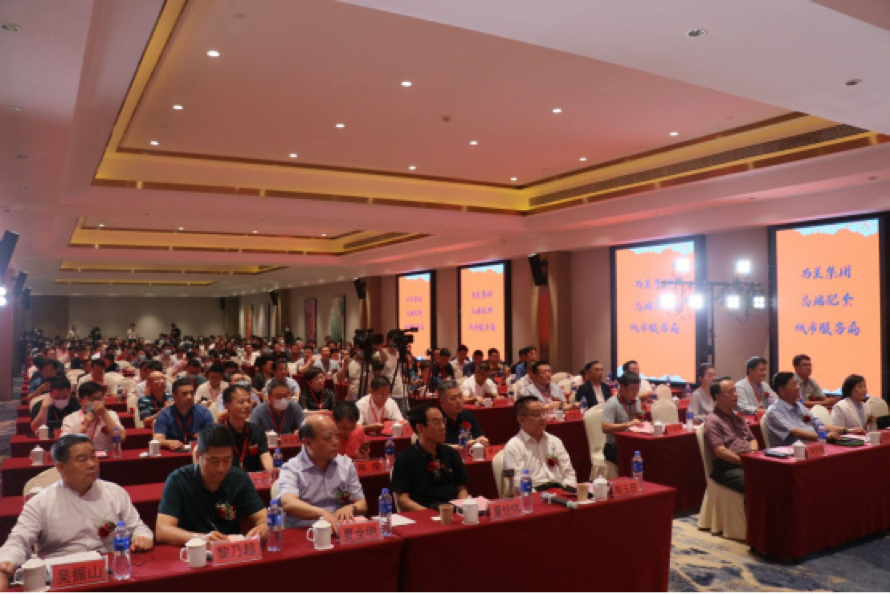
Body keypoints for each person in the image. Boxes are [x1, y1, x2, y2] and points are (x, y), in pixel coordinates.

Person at [0, 434, 152, 582]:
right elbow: (18, 541)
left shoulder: (115, 492)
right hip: (61, 577)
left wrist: (142, 537)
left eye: (93, 457)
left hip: (109, 572)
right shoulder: (40, 503)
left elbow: (138, 527)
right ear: (61, 467)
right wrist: (7, 560)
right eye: (82, 459)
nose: (92, 464)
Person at [156, 425, 268, 545]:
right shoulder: (178, 480)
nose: (221, 468)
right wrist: (201, 538)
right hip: (193, 551)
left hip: (230, 549)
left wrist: (263, 526)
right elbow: (162, 531)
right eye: (213, 461)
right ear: (198, 456)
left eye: (227, 460)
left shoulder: (240, 478)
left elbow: (263, 517)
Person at [278, 415, 368, 531]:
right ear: (308, 442)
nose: (336, 442)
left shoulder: (346, 464)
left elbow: (362, 503)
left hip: (337, 528)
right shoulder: (291, 468)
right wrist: (322, 513)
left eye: (337, 436)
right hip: (305, 531)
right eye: (328, 439)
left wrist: (352, 507)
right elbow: (288, 503)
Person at [392, 403, 469, 511]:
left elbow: (462, 489)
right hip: (423, 515)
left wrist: (462, 507)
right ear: (420, 428)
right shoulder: (405, 458)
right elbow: (403, 500)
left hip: (453, 512)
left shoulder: (451, 453)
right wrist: (430, 514)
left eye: (443, 421)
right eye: (436, 422)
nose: (442, 427)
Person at [503, 396, 577, 490]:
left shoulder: (555, 441)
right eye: (536, 414)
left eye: (543, 412)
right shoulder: (513, 446)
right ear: (521, 420)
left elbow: (569, 473)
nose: (543, 418)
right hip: (533, 494)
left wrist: (567, 490)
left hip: (560, 491)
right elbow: (517, 484)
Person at [703, 378, 759, 493]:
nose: (735, 395)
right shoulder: (713, 421)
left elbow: (752, 439)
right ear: (718, 396)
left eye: (735, 390)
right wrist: (744, 461)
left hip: (747, 461)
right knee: (755, 482)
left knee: (774, 474)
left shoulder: (738, 417)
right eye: (730, 392)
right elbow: (720, 451)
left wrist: (753, 454)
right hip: (728, 466)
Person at [764, 372, 848, 447]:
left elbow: (819, 424)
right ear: (782, 391)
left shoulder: (799, 405)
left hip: (812, 446)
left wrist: (846, 431)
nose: (798, 387)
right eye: (793, 385)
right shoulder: (774, 411)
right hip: (791, 452)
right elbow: (794, 432)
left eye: (797, 384)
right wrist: (823, 436)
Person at [60, 382, 126, 452]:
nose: (97, 403)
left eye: (99, 399)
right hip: (81, 456)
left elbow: (121, 437)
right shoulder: (70, 419)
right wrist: (84, 427)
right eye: (92, 399)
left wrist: (104, 415)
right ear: (80, 401)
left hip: (106, 455)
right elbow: (64, 446)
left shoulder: (111, 414)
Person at [152, 378, 215, 451]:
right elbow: (157, 439)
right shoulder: (165, 414)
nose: (189, 397)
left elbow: (212, 437)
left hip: (198, 452)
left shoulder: (204, 412)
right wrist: (168, 443)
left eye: (192, 393)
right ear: (174, 397)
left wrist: (203, 437)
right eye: (184, 394)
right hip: (174, 453)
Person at [222, 385, 271, 472]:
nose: (247, 405)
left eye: (249, 401)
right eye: (241, 402)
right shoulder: (217, 434)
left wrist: (272, 472)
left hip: (253, 478)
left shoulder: (257, 430)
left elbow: (265, 456)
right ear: (227, 405)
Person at [601, 372, 643, 464]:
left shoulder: (637, 401)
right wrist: (628, 424)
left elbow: (638, 419)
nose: (635, 392)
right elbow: (605, 427)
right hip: (614, 446)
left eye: (637, 389)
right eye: (632, 389)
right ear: (622, 387)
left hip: (632, 443)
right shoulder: (612, 403)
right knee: (633, 462)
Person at [439, 380, 489, 449]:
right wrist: (462, 446)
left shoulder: (467, 415)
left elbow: (479, 436)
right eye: (453, 398)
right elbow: (436, 447)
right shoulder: (436, 419)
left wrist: (482, 440)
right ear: (442, 402)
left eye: (460, 396)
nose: (459, 401)